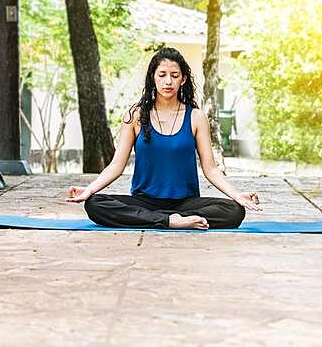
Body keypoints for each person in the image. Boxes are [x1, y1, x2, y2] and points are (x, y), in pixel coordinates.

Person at [66, 47, 261, 229]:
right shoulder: (135, 115)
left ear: (183, 79)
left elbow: (210, 168)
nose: (168, 81)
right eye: (162, 75)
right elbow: (117, 164)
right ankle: (169, 221)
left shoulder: (196, 117)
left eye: (174, 76)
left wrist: (236, 195)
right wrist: (89, 190)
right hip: (145, 202)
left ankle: (169, 218)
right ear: (153, 77)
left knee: (234, 211)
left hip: (186, 203)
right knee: (95, 204)